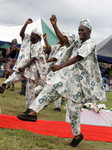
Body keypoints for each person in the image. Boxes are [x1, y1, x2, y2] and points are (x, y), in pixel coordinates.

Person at [17, 15, 106, 147]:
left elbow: (78, 57)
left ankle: (77, 135)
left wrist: (59, 66)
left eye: (82, 30)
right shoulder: (77, 40)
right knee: (50, 86)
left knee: (73, 109)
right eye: (79, 30)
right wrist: (54, 25)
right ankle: (32, 112)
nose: (80, 32)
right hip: (67, 75)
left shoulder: (90, 43)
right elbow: (63, 39)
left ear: (89, 31)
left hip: (79, 81)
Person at [0, 18, 47, 114]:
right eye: (31, 33)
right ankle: (4, 86)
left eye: (33, 34)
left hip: (33, 69)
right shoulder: (28, 40)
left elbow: (33, 58)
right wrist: (26, 24)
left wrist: (24, 67)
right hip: (25, 66)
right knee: (15, 75)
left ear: (38, 37)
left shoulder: (38, 46)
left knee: (30, 89)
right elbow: (21, 34)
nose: (31, 35)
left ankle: (30, 109)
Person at [34, 32, 71, 112]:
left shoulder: (65, 49)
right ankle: (36, 96)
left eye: (61, 38)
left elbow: (54, 58)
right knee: (52, 86)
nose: (59, 39)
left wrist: (44, 61)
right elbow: (50, 49)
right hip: (51, 69)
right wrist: (45, 39)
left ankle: (34, 94)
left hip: (57, 70)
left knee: (53, 86)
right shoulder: (58, 46)